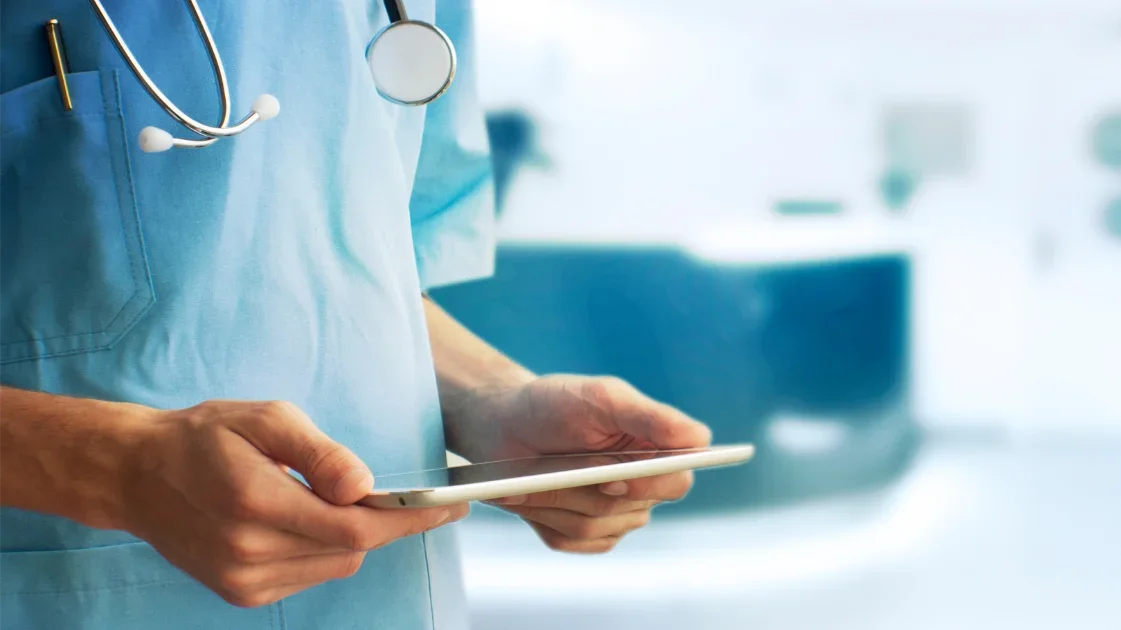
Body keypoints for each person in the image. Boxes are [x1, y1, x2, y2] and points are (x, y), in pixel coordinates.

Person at [0, 1, 712, 629]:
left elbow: (361, 270)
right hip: (77, 591)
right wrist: (119, 469)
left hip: (386, 597)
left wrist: (491, 401)